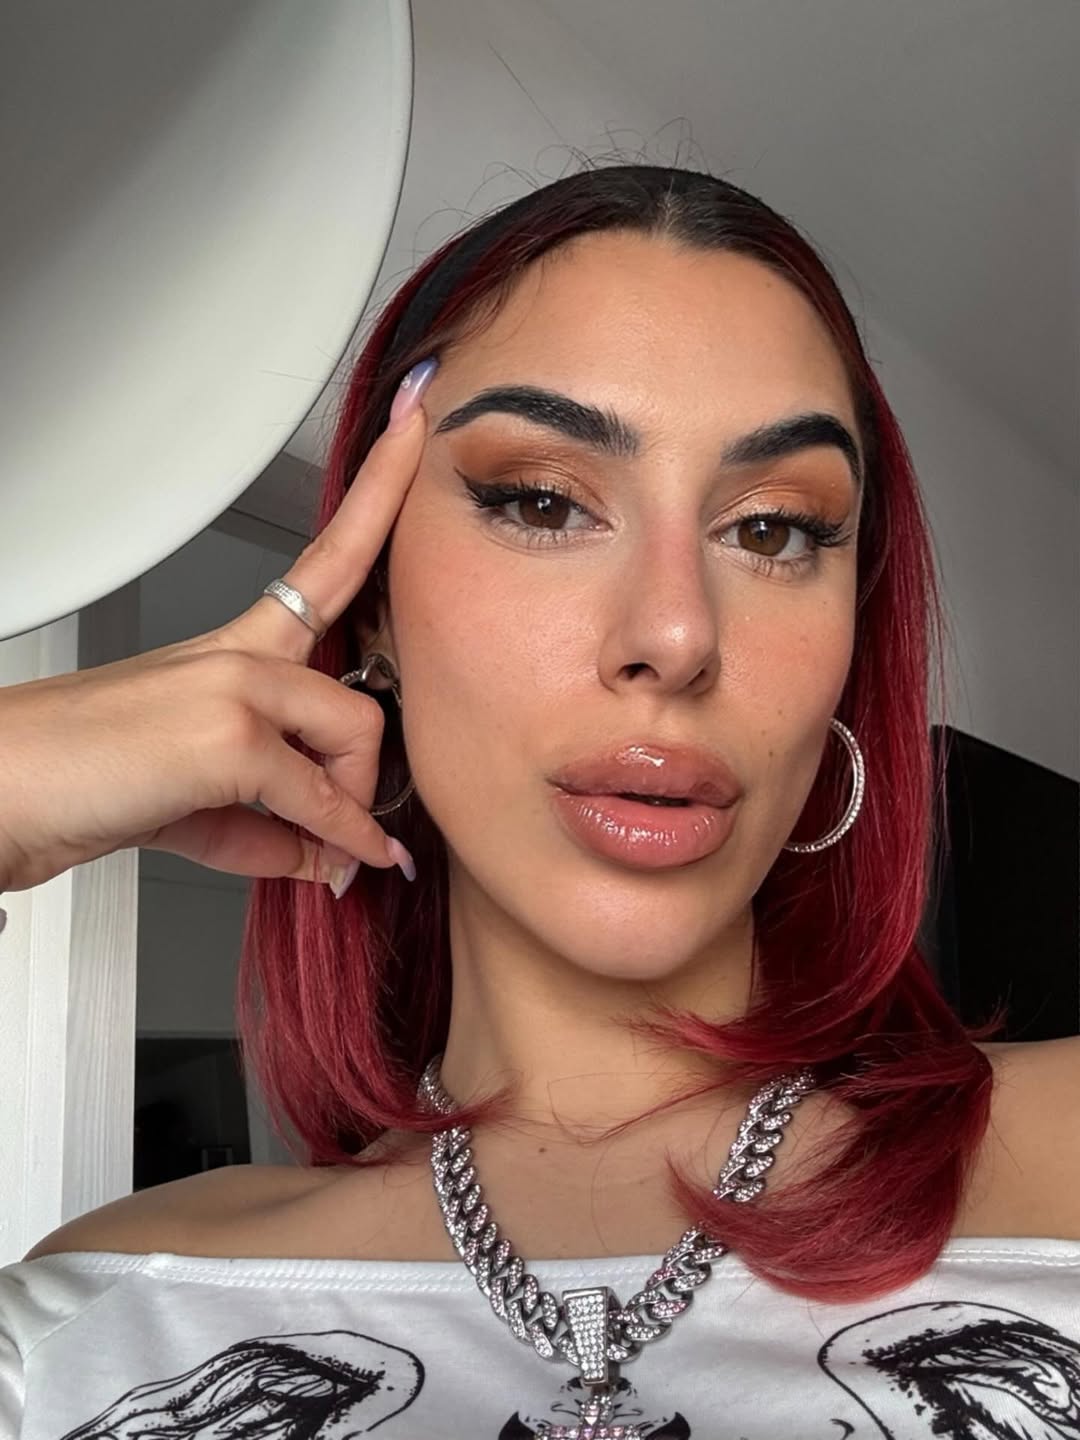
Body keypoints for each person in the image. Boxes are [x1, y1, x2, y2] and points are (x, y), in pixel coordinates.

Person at [0, 163, 1077, 1438]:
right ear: (376, 609)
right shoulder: (100, 1317)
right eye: (543, 501)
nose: (676, 635)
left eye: (774, 528)